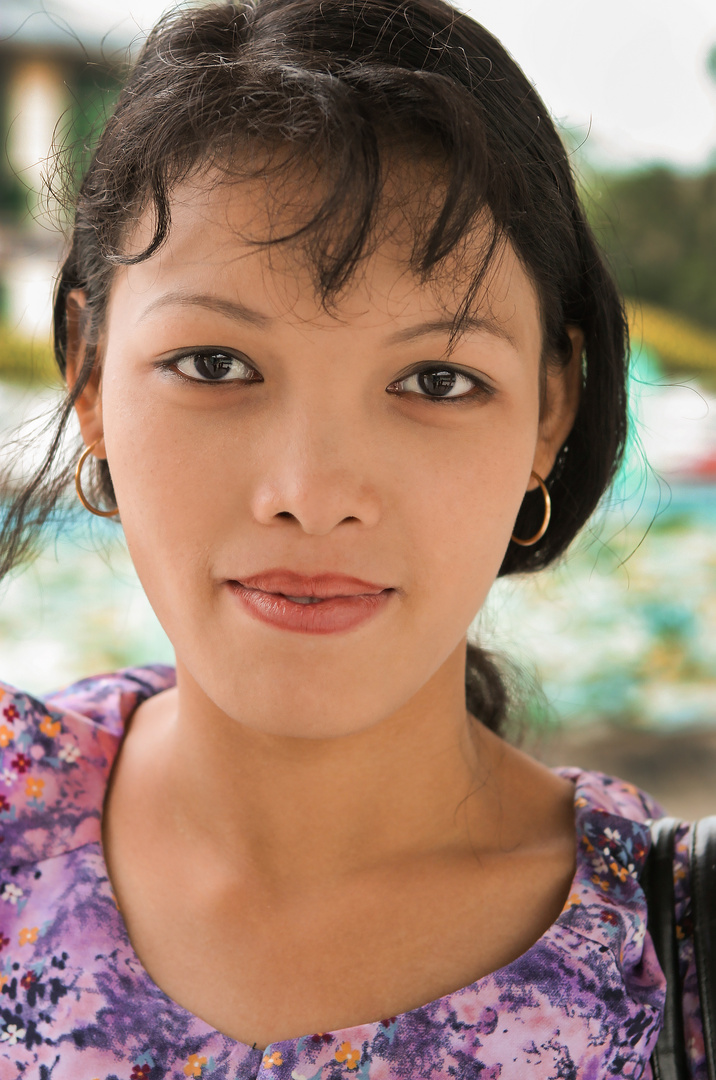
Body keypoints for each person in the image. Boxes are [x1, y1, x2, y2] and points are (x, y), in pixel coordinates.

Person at [0, 0, 705, 1076]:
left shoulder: (668, 959)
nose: (310, 495)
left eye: (435, 380)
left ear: (549, 411)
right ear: (89, 371)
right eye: (214, 365)